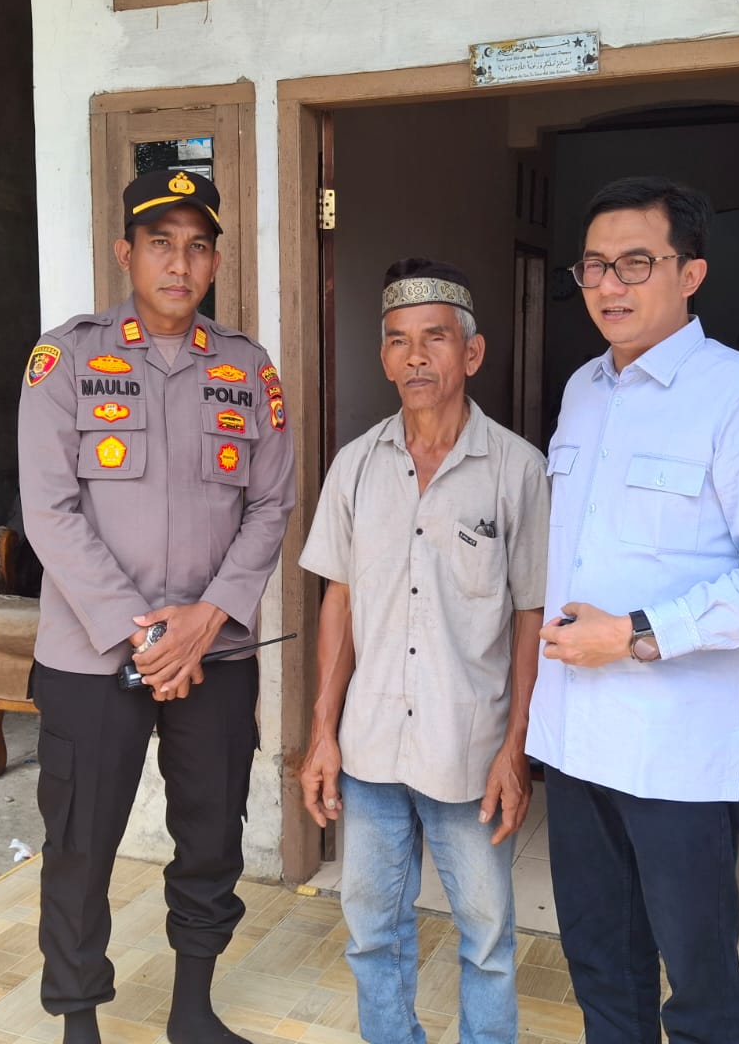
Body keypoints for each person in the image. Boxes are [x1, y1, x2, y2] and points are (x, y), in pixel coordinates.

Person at [528, 177, 739, 1043]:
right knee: (599, 965)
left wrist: (636, 635)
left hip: (677, 755)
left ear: (690, 273)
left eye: (635, 263)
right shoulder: (583, 389)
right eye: (593, 266)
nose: (609, 285)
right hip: (575, 741)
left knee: (697, 984)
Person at [19, 169, 295, 1044]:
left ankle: (192, 1010)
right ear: (125, 253)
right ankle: (79, 1025)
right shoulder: (64, 360)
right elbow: (49, 511)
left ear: (215, 261)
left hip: (214, 653)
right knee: (80, 844)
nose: (181, 263)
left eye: (198, 246)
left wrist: (205, 620)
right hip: (92, 654)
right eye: (161, 243)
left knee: (212, 836)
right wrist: (145, 636)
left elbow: (272, 506)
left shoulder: (248, 367)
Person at [297, 259, 548, 1044]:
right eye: (399, 341)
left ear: (471, 352)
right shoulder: (355, 467)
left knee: (487, 939)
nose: (416, 358)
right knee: (372, 932)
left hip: (469, 753)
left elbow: (531, 616)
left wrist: (516, 748)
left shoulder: (517, 470)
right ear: (383, 357)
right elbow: (339, 600)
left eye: (435, 339)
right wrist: (322, 733)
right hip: (370, 747)